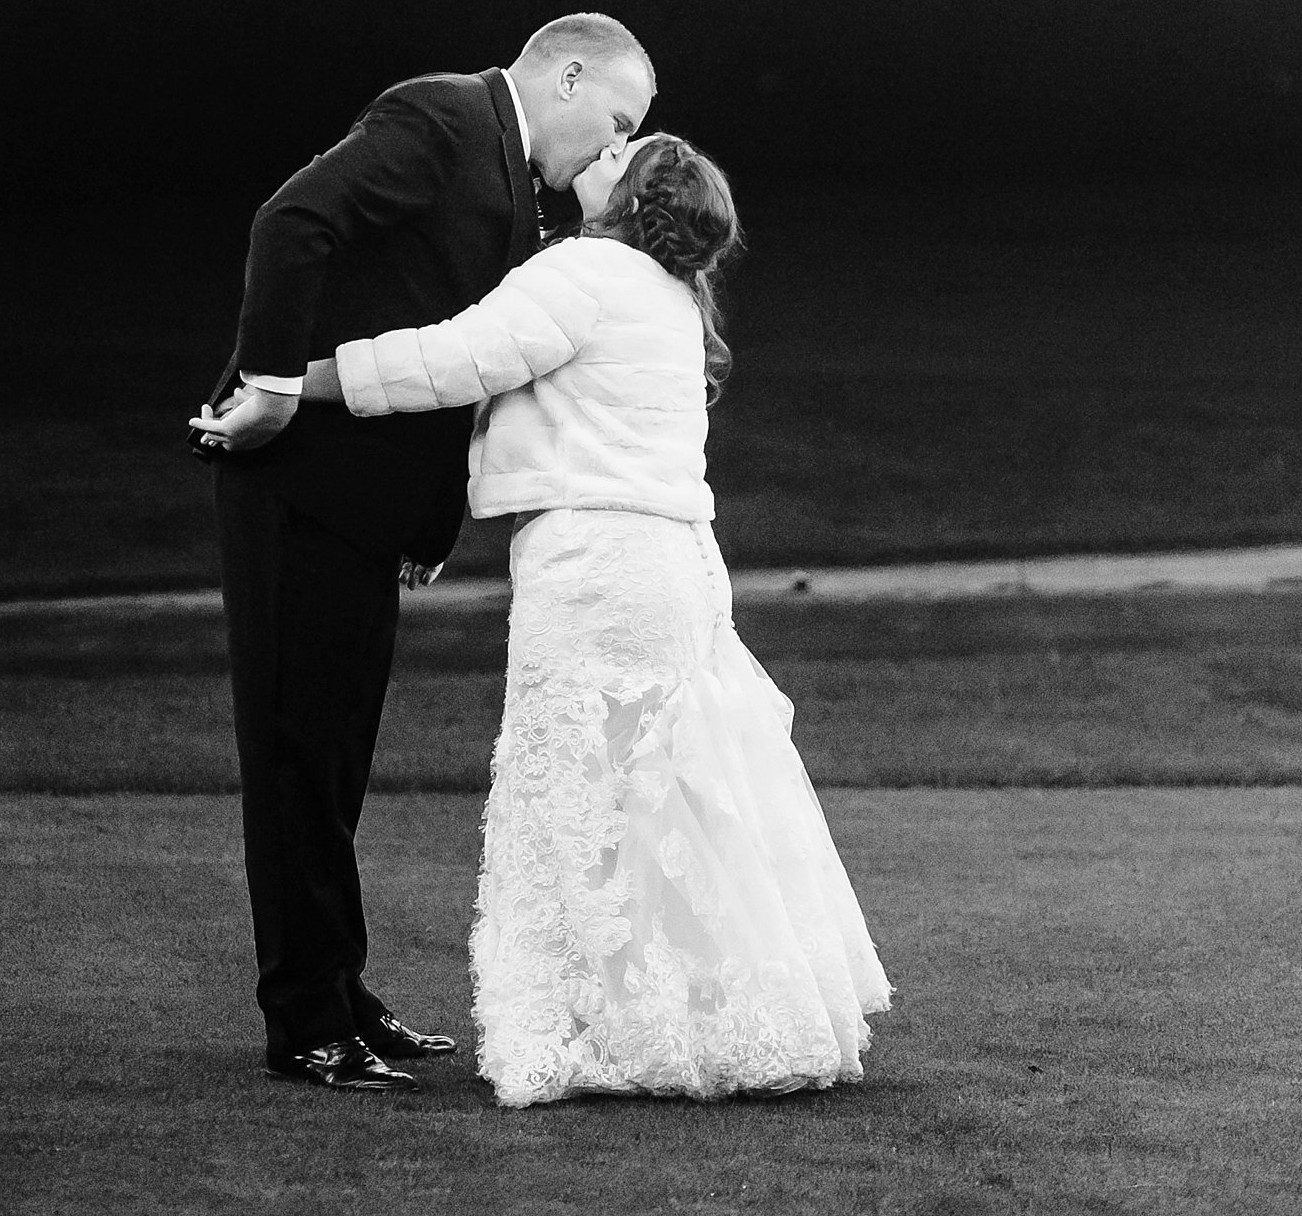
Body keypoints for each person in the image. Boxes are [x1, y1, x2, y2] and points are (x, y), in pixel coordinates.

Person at [208, 131, 890, 1106]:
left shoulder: (589, 272)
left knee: (584, 798)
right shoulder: (670, 295)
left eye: (622, 149)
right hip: (681, 567)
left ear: (634, 195)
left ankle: (631, 1027)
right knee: (671, 791)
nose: (599, 152)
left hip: (601, 570)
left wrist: (295, 380)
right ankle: (710, 1009)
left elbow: (453, 362)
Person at [190, 14, 657, 1091]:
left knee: (338, 756)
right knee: (298, 755)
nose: (613, 149)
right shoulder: (442, 114)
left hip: (366, 511)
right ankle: (304, 1019)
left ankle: (341, 991)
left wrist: (429, 521)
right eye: (617, 121)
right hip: (298, 488)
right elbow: (289, 220)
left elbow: (458, 359)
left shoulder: (514, 182)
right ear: (569, 73)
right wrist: (265, 390)